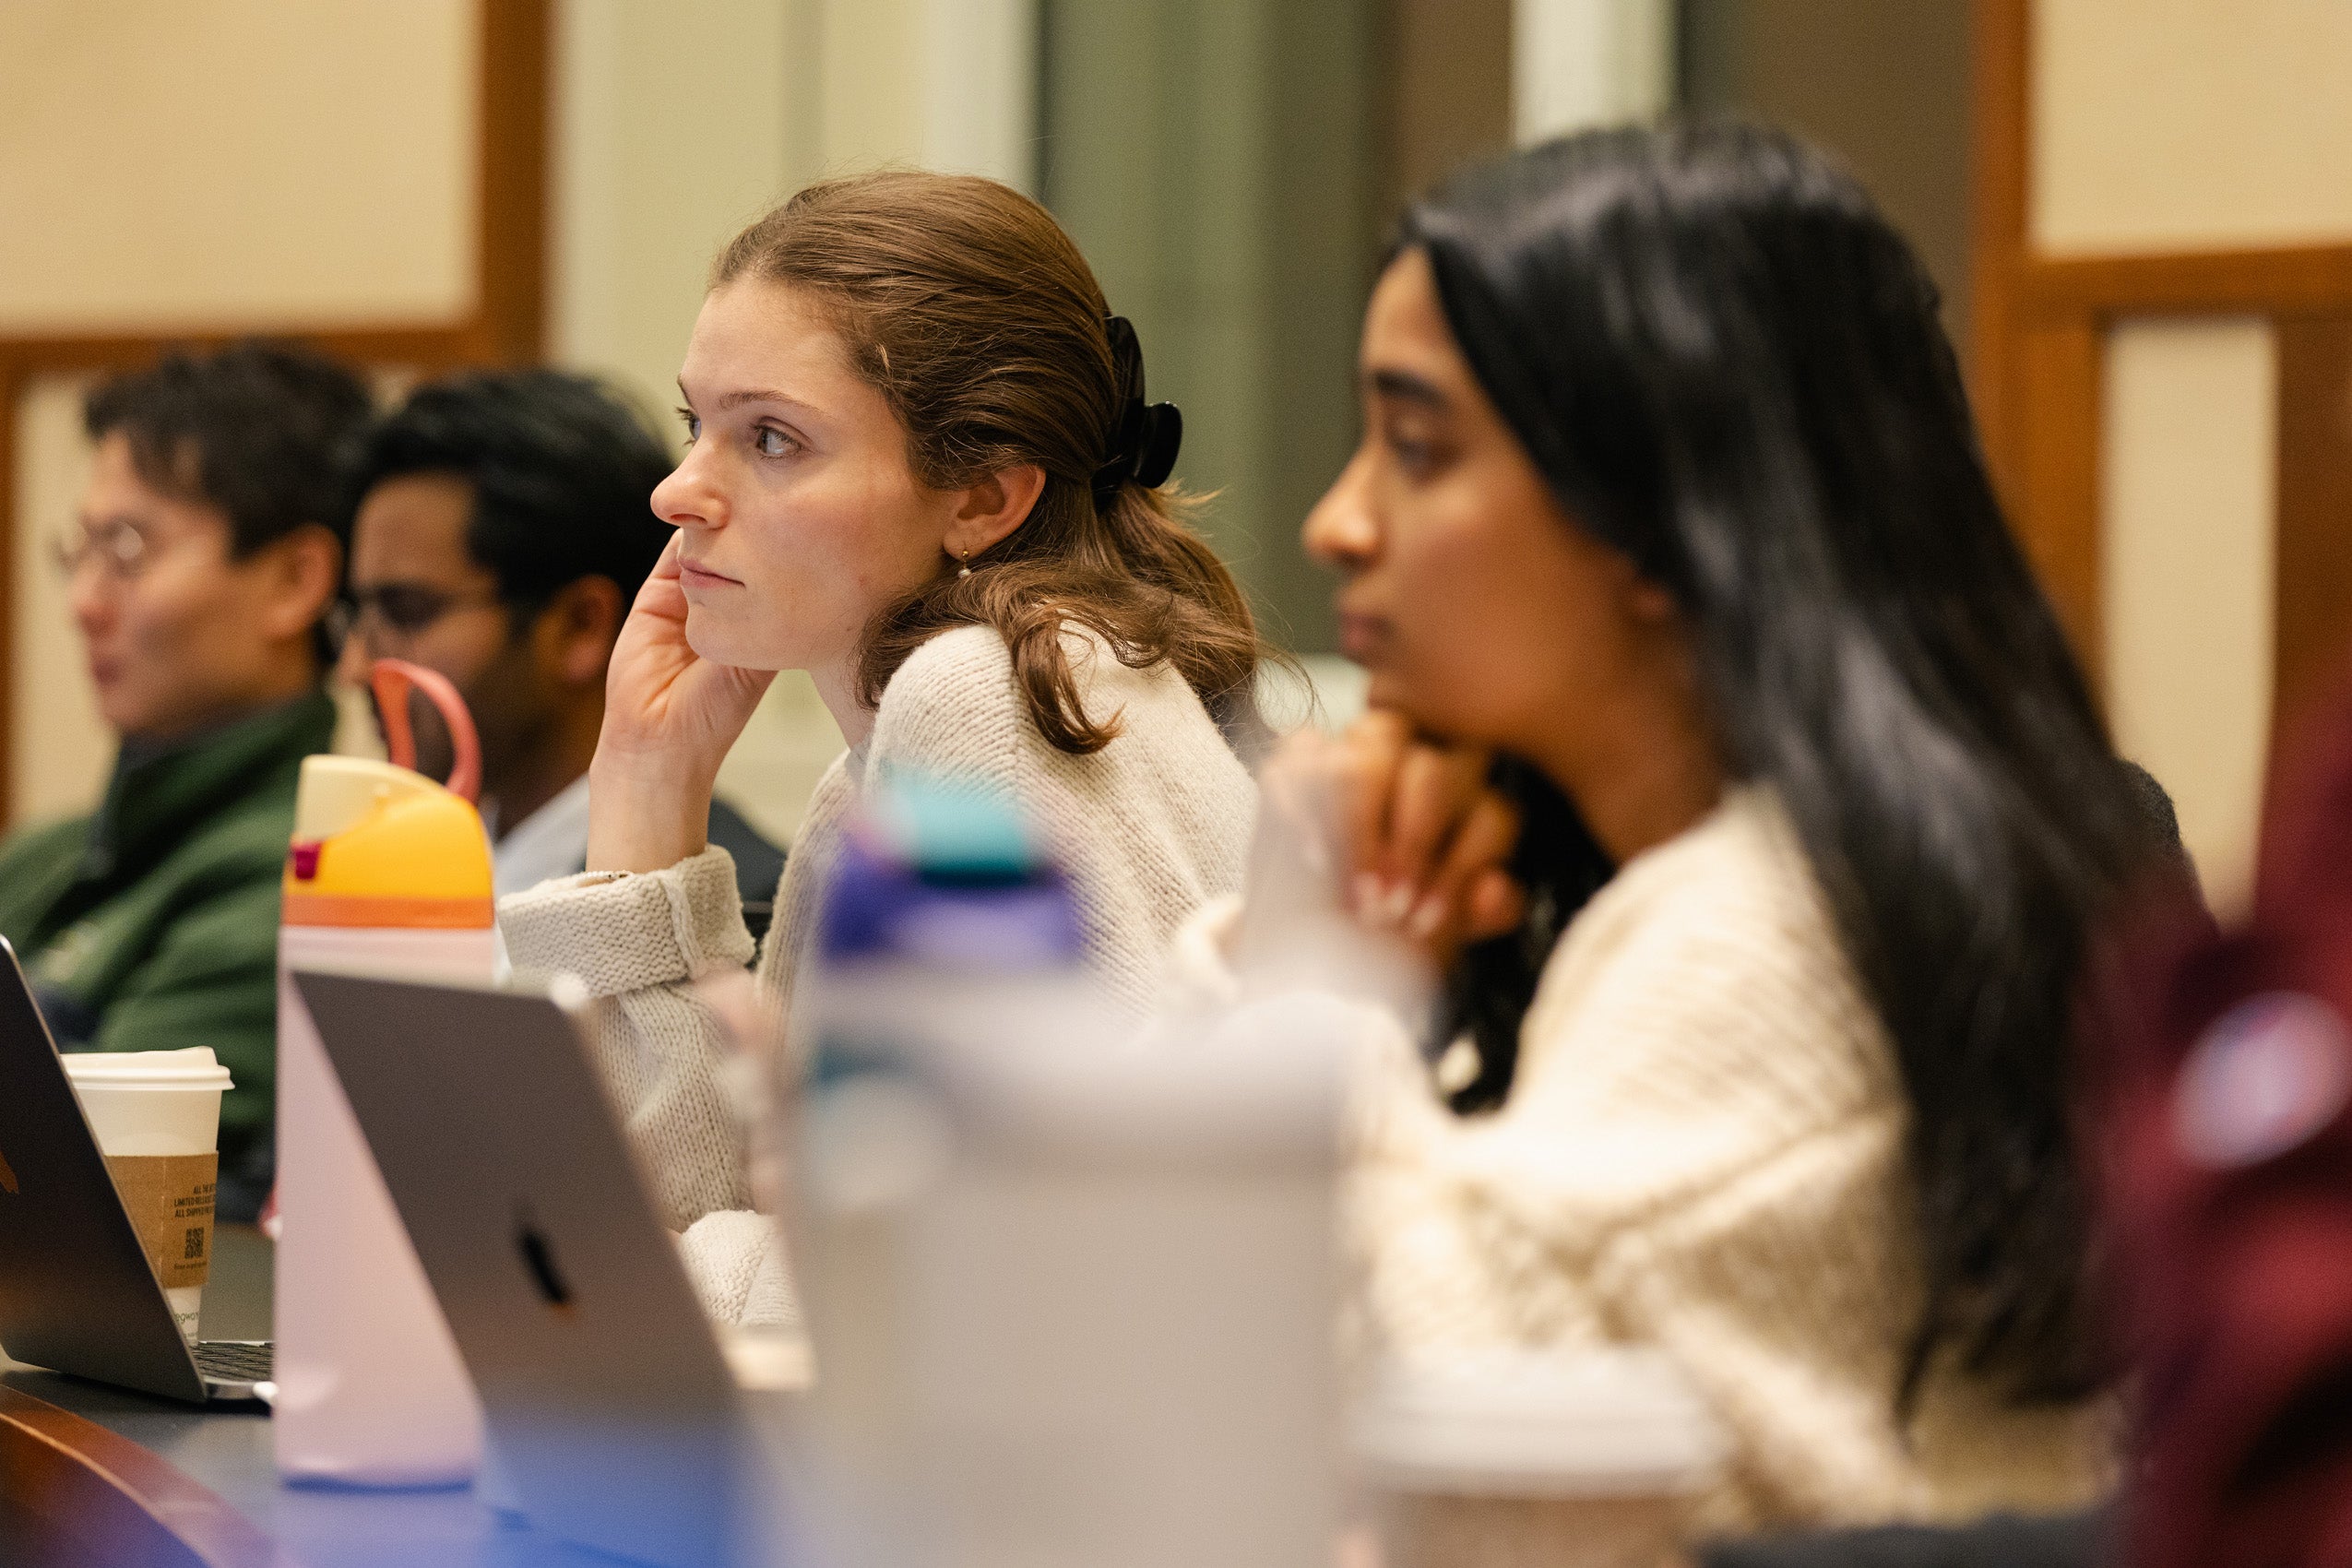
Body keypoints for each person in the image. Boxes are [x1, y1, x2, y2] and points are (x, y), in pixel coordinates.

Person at [1196, 123, 2180, 1537]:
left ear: (1664, 516)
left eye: (1417, 448)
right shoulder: (1782, 867)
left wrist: (1321, 981)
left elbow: (1376, 1437)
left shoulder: (1770, 930)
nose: (1335, 521)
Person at [496, 172, 1270, 1319]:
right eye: (693, 425)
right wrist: (649, 786)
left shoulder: (988, 695)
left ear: (984, 497)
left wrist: (618, 1279)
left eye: (770, 438)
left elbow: (967, 1295)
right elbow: (725, 1213)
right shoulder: (961, 707)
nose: (676, 492)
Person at [0, 342, 367, 1220]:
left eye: (127, 549)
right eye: (80, 550)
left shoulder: (314, 870)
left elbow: (77, 1193)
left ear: (295, 580)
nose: (83, 602)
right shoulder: (44, 855)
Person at [337, 369, 785, 938]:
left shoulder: (749, 913)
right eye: (357, 614)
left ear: (579, 627)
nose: (356, 670)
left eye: (406, 611)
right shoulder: (397, 878)